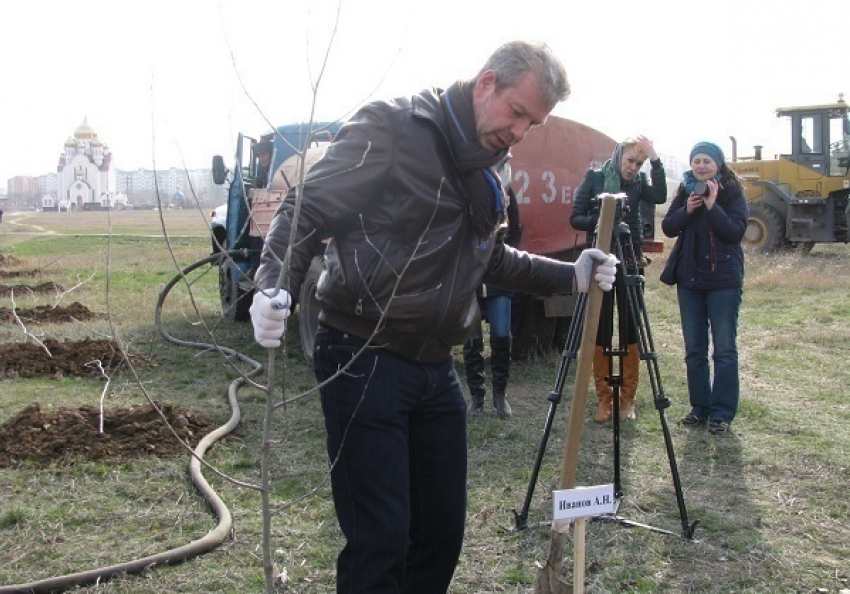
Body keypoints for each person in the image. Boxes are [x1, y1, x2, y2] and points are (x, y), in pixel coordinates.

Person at [249, 40, 618, 593]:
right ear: (487, 82)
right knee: (382, 538)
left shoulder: (492, 162)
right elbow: (307, 211)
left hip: (434, 367)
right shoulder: (394, 128)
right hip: (361, 353)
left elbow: (486, 256)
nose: (520, 132)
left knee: (441, 533)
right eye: (518, 113)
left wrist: (571, 275)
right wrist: (273, 285)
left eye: (533, 124)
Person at [570, 136, 667, 422]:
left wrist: (656, 159)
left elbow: (660, 196)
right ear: (618, 157)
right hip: (600, 260)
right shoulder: (596, 178)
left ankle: (626, 400)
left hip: (629, 259)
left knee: (629, 328)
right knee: (600, 327)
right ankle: (604, 400)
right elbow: (575, 218)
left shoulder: (638, 183)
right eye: (630, 161)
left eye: (639, 163)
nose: (633, 168)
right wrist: (600, 221)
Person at [660, 141, 748, 435]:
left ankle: (721, 413)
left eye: (706, 161)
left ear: (718, 164)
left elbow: (735, 232)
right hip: (690, 281)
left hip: (723, 281)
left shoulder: (732, 192)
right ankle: (700, 408)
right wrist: (687, 209)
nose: (700, 166)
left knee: (723, 349)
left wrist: (712, 207)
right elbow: (670, 227)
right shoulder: (685, 190)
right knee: (694, 349)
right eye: (696, 160)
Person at [463, 157, 522, 418]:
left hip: (498, 278)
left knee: (501, 334)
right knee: (471, 338)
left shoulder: (508, 195)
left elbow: (516, 231)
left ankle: (500, 395)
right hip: (470, 277)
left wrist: (505, 259)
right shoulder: (466, 190)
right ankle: (477, 396)